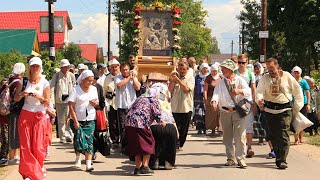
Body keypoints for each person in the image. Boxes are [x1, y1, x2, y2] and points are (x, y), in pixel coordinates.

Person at [256, 57, 303, 169]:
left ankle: (282, 159)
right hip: (270, 110)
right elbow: (259, 92)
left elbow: (297, 92)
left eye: (272, 68)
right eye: (268, 68)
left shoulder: (287, 76)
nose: (270, 71)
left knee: (283, 134)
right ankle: (278, 156)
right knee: (273, 135)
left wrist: (296, 108)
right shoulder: (265, 78)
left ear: (277, 66)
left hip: (285, 110)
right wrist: (260, 100)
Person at [13, 57, 50, 180]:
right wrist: (22, 94)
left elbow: (47, 101)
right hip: (25, 115)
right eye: (33, 66)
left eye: (37, 66)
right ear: (29, 67)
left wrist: (39, 97)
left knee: (38, 146)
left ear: (40, 68)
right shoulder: (22, 81)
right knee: (25, 146)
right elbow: (16, 99)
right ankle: (28, 173)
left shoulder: (45, 82)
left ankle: (39, 168)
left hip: (39, 115)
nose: (35, 69)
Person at [211, 59, 252, 168]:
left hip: (238, 111)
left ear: (230, 69)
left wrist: (240, 91)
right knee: (227, 137)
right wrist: (214, 101)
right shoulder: (221, 82)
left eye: (224, 68)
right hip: (225, 112)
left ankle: (241, 159)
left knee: (240, 137)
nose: (222, 70)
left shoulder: (240, 80)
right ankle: (230, 158)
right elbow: (216, 93)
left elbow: (249, 92)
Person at [125, 89, 165, 175]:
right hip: (141, 123)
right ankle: (145, 166)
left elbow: (128, 108)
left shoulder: (139, 98)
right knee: (149, 142)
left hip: (129, 123)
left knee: (137, 145)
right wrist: (161, 122)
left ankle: (137, 168)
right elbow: (157, 113)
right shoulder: (152, 100)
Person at [68, 70, 98, 172]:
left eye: (92, 81)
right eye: (88, 81)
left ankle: (88, 164)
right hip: (78, 119)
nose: (90, 83)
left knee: (89, 140)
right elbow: (71, 106)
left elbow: (97, 102)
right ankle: (77, 158)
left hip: (90, 119)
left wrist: (95, 103)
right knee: (78, 139)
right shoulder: (75, 90)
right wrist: (75, 121)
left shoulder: (94, 89)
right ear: (83, 80)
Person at [148, 82, 178, 170]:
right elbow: (172, 118)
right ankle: (168, 162)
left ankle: (155, 162)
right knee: (169, 143)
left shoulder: (149, 101)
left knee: (155, 143)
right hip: (169, 126)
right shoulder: (167, 102)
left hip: (154, 126)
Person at [114, 63, 141, 153]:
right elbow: (120, 85)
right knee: (123, 127)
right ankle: (125, 147)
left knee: (133, 126)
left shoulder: (133, 77)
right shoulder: (117, 78)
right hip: (122, 106)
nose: (125, 71)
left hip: (132, 106)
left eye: (127, 69)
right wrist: (129, 77)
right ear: (121, 70)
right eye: (123, 70)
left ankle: (132, 146)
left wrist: (133, 79)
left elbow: (138, 88)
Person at [168, 62, 195, 150]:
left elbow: (187, 89)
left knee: (183, 129)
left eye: (184, 69)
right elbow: (170, 90)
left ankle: (180, 143)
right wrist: (173, 80)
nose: (182, 71)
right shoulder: (174, 77)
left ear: (187, 69)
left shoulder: (190, 78)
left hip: (186, 108)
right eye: (180, 69)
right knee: (175, 128)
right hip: (175, 107)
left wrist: (179, 81)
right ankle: (175, 144)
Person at [234, 54, 256, 158]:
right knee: (238, 126)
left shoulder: (251, 74)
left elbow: (253, 89)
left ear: (247, 62)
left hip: (248, 102)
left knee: (249, 125)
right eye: (240, 62)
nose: (242, 64)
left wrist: (254, 103)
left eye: (243, 62)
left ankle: (249, 147)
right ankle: (239, 148)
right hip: (237, 103)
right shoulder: (234, 73)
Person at [50, 59, 76, 143]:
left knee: (69, 118)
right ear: (62, 67)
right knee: (60, 119)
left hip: (69, 100)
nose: (67, 68)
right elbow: (52, 88)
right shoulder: (56, 76)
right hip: (59, 100)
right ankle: (62, 136)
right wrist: (52, 101)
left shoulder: (71, 75)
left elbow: (75, 86)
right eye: (65, 66)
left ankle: (69, 135)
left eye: (68, 66)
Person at [7, 63, 26, 165]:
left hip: (12, 110)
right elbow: (17, 96)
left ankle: (14, 156)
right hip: (15, 110)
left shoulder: (11, 80)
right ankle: (12, 157)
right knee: (14, 133)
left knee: (14, 133)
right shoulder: (18, 82)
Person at [291, 66, 310, 144]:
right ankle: (296, 138)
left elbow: (307, 92)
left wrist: (308, 104)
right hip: (293, 104)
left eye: (297, 72)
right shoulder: (291, 81)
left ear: (300, 73)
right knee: (294, 121)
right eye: (294, 72)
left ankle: (301, 137)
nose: (296, 74)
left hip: (302, 103)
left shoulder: (303, 82)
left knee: (302, 121)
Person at [103, 59, 120, 147]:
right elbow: (104, 91)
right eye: (112, 67)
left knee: (121, 122)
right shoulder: (107, 78)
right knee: (112, 122)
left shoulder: (122, 76)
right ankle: (115, 141)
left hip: (121, 102)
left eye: (116, 67)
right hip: (111, 102)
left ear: (118, 67)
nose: (114, 69)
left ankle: (121, 140)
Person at [203, 64, 221, 135]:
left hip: (219, 98)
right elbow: (205, 89)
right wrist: (205, 99)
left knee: (219, 114)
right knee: (212, 114)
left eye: (215, 71)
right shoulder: (208, 78)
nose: (214, 73)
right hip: (210, 97)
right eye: (213, 71)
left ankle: (220, 128)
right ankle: (212, 129)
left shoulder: (221, 77)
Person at [194, 63, 210, 134]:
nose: (205, 70)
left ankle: (205, 128)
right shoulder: (197, 77)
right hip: (198, 96)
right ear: (201, 69)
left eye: (206, 68)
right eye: (204, 68)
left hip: (206, 96)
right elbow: (194, 86)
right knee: (198, 113)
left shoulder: (209, 77)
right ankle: (199, 128)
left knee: (205, 112)